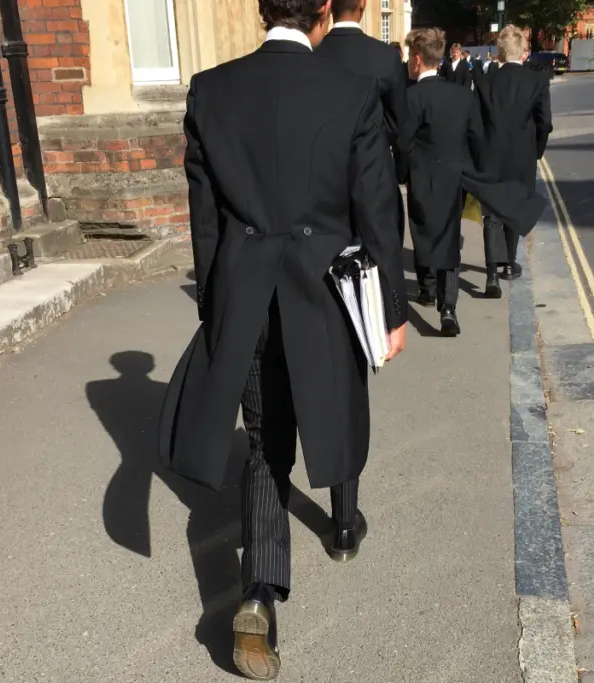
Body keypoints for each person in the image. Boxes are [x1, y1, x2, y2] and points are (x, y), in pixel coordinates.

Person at [159, 0, 408, 678]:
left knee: (267, 444)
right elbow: (377, 213)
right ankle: (346, 526)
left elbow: (204, 222)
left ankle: (260, 594)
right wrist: (390, 309)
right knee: (334, 404)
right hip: (327, 291)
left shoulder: (211, 89)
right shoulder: (353, 93)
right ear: (323, 11)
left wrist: (219, 311)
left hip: (247, 295)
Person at [401, 27, 546, 334]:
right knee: (450, 235)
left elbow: (403, 143)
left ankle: (428, 289)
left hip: (423, 176)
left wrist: (402, 173)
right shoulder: (460, 96)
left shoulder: (411, 97)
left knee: (425, 231)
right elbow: (476, 136)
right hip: (457, 174)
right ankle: (449, 305)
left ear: (417, 58)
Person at [474, 25, 552, 297]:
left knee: (491, 214)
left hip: (490, 155)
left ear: (499, 52)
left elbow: (475, 124)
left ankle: (492, 275)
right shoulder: (537, 81)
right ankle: (509, 263)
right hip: (522, 156)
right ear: (524, 52)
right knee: (514, 210)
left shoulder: (485, 82)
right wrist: (537, 151)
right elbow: (546, 123)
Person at [318, 0, 409, 212]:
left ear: (329, 6)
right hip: (373, 168)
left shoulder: (314, 52)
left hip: (324, 170)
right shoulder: (385, 56)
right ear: (363, 5)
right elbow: (398, 122)